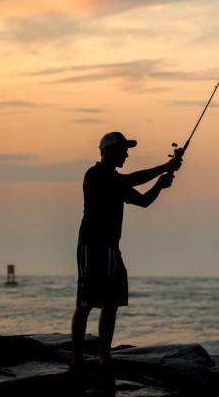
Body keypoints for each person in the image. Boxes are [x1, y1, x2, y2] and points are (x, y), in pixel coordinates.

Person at [70, 132, 181, 370]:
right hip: (91, 245)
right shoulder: (96, 175)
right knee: (85, 302)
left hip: (111, 247)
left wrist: (160, 185)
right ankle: (77, 357)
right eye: (123, 150)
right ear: (107, 151)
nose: (127, 154)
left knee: (112, 302)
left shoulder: (116, 181)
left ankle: (103, 356)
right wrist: (164, 166)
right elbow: (131, 180)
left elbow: (143, 202)